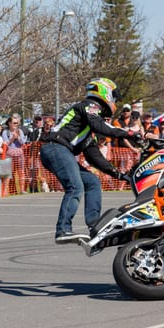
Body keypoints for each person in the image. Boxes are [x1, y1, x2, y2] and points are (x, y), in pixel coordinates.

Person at [39, 77, 137, 244]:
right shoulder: (90, 106)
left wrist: (119, 174)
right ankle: (63, 230)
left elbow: (94, 156)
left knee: (92, 181)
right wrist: (128, 132)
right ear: (104, 92)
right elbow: (102, 127)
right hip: (56, 148)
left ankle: (95, 225)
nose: (115, 100)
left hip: (60, 151)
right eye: (113, 95)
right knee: (75, 187)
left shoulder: (86, 127)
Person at [2, 113, 27, 194]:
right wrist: (12, 138)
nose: (16, 125)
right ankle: (5, 189)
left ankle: (22, 189)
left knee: (21, 171)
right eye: (14, 123)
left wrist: (18, 137)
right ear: (9, 123)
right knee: (9, 172)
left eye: (17, 123)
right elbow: (6, 144)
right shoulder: (5, 132)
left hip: (19, 154)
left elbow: (23, 142)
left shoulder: (20, 131)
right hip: (9, 154)